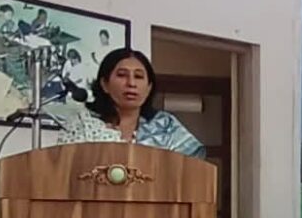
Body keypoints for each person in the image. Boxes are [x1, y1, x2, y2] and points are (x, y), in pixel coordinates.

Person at [57, 47, 205, 158]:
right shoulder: (82, 123)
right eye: (122, 75)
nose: (131, 83)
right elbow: (65, 173)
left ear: (149, 87)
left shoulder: (166, 125)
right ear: (105, 84)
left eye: (139, 77)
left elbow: (191, 172)